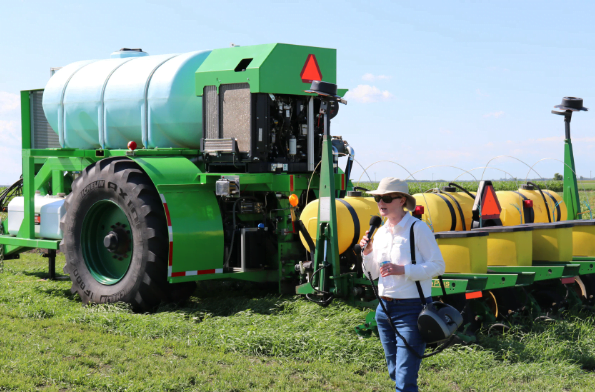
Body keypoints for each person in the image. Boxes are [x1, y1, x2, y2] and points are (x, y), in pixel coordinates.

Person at [359, 177, 445, 392]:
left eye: (386, 198)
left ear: (401, 200)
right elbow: (371, 273)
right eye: (378, 198)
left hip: (412, 309)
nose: (380, 202)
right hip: (384, 310)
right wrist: (367, 253)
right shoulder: (380, 233)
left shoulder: (418, 228)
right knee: (395, 371)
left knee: (405, 378)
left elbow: (438, 266)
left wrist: (403, 270)